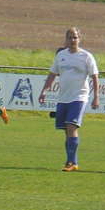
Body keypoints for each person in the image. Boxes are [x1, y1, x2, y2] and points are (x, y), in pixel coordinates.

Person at [38, 27, 100, 172]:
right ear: (66, 39)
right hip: (63, 98)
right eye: (70, 37)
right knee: (66, 130)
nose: (72, 40)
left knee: (72, 126)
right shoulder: (61, 56)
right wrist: (44, 91)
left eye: (75, 37)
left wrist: (96, 96)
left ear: (80, 39)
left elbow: (94, 76)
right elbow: (52, 74)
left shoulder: (86, 56)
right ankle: (72, 161)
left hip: (79, 97)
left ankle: (71, 162)